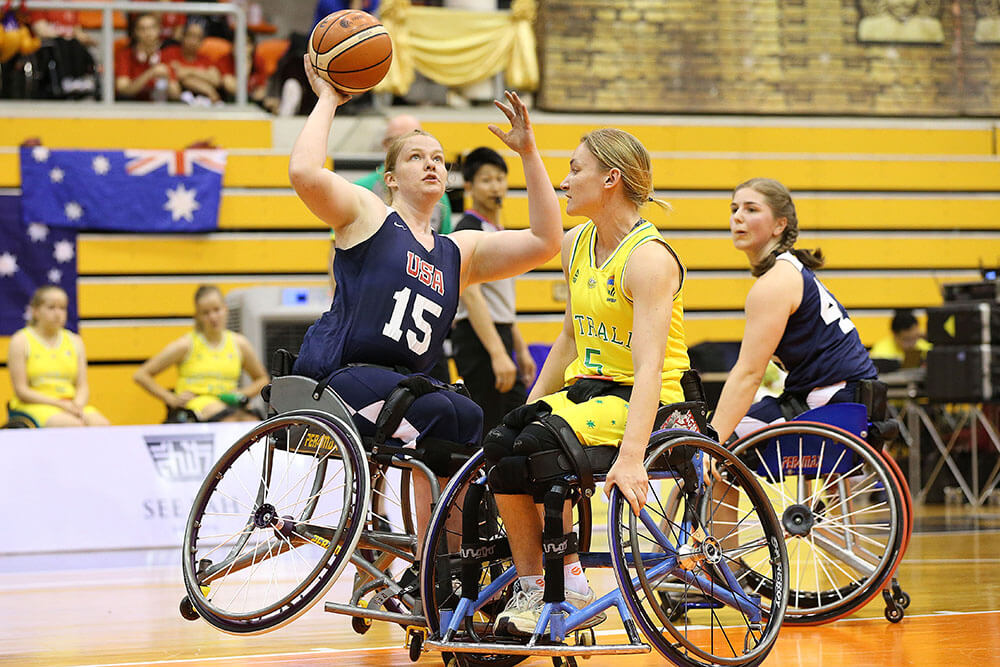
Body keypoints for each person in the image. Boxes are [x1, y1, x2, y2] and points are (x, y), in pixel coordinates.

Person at [289, 54, 562, 584]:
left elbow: (545, 241)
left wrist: (529, 153)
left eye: (438, 158)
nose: (432, 164)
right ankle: (430, 560)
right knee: (441, 413)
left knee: (467, 417)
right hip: (340, 376)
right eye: (416, 157)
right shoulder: (368, 214)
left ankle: (445, 566)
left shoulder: (458, 250)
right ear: (391, 178)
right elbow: (303, 173)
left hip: (402, 387)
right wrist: (328, 98)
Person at [486, 128, 688, 635]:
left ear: (611, 179)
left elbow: (649, 368)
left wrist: (633, 457)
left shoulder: (649, 258)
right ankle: (535, 585)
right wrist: (524, 412)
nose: (565, 180)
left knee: (537, 445)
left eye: (576, 170)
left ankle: (571, 581)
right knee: (503, 442)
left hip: (650, 398)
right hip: (589, 392)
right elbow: (569, 339)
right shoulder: (575, 244)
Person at [710, 177, 879, 444]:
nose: (738, 217)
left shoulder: (775, 282)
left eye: (751, 209)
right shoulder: (789, 269)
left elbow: (748, 374)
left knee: (719, 440)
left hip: (832, 401)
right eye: (734, 209)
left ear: (780, 225)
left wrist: (710, 442)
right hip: (850, 395)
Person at [451, 146, 535, 436]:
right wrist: (498, 353)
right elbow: (472, 296)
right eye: (486, 180)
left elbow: (501, 302)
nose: (495, 187)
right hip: (478, 338)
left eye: (500, 178)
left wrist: (520, 349)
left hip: (500, 332)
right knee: (492, 425)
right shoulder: (468, 229)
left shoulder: (498, 230)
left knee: (514, 419)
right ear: (469, 186)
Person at [133, 285, 269, 422]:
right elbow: (141, 375)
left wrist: (243, 393)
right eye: (206, 313)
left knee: (252, 420)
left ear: (225, 309)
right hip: (197, 405)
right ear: (198, 316)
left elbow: (262, 379)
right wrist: (171, 399)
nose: (213, 317)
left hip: (229, 402)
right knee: (228, 417)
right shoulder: (186, 345)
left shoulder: (239, 344)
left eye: (216, 310)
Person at [7, 285, 110, 427]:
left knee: (101, 424)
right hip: (34, 404)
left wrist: (77, 405)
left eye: (62, 308)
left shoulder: (75, 341)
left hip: (70, 403)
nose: (58, 313)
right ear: (35, 311)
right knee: (71, 425)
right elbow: (21, 391)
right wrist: (59, 404)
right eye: (51, 308)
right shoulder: (21, 340)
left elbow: (82, 386)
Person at [115, 13, 181, 101]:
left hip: (161, 106)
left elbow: (176, 95)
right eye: (142, 29)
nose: (148, 33)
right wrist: (150, 73)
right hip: (132, 104)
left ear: (159, 30)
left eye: (152, 28)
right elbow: (123, 89)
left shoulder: (168, 54)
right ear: (135, 32)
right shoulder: (125, 55)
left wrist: (167, 77)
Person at [162, 20, 222, 105]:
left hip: (204, 101)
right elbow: (176, 75)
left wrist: (190, 71)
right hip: (176, 101)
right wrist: (209, 90)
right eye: (190, 36)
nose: (193, 41)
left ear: (202, 42)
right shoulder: (170, 52)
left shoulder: (206, 59)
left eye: (198, 38)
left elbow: (216, 80)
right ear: (183, 37)